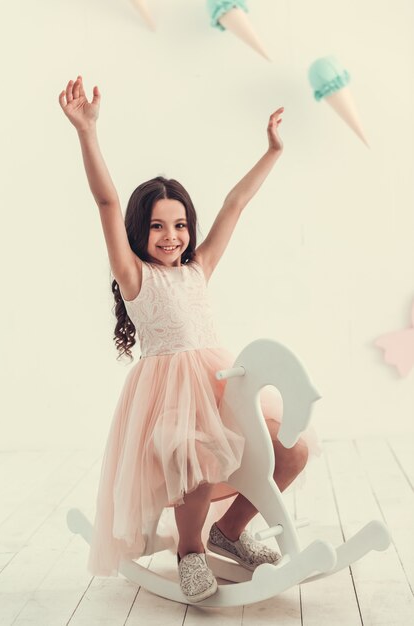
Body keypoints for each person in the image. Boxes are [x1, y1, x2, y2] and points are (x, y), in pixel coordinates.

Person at [59, 75, 318, 603]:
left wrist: (272, 152)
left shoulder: (197, 269)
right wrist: (87, 132)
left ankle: (229, 530)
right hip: (166, 401)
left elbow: (235, 205)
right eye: (157, 227)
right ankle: (190, 549)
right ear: (139, 233)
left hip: (220, 386)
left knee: (290, 451)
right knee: (196, 456)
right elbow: (107, 203)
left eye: (179, 224)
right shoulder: (137, 278)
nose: (171, 236)